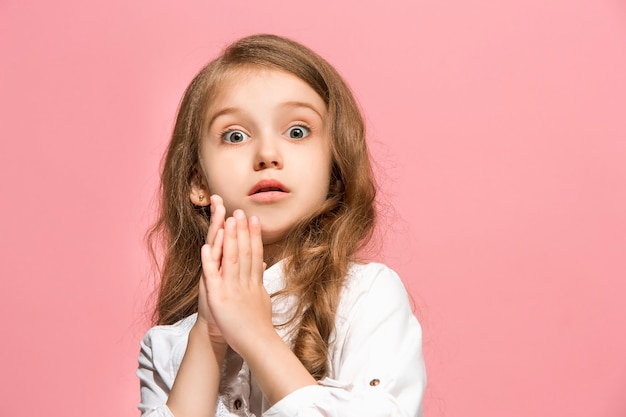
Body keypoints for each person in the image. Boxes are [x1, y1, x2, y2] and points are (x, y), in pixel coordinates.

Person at [137, 34, 426, 417]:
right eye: (235, 135)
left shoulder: (367, 297)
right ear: (198, 183)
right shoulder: (164, 347)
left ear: (334, 166)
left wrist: (256, 336)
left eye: (297, 132)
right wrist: (210, 334)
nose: (268, 155)